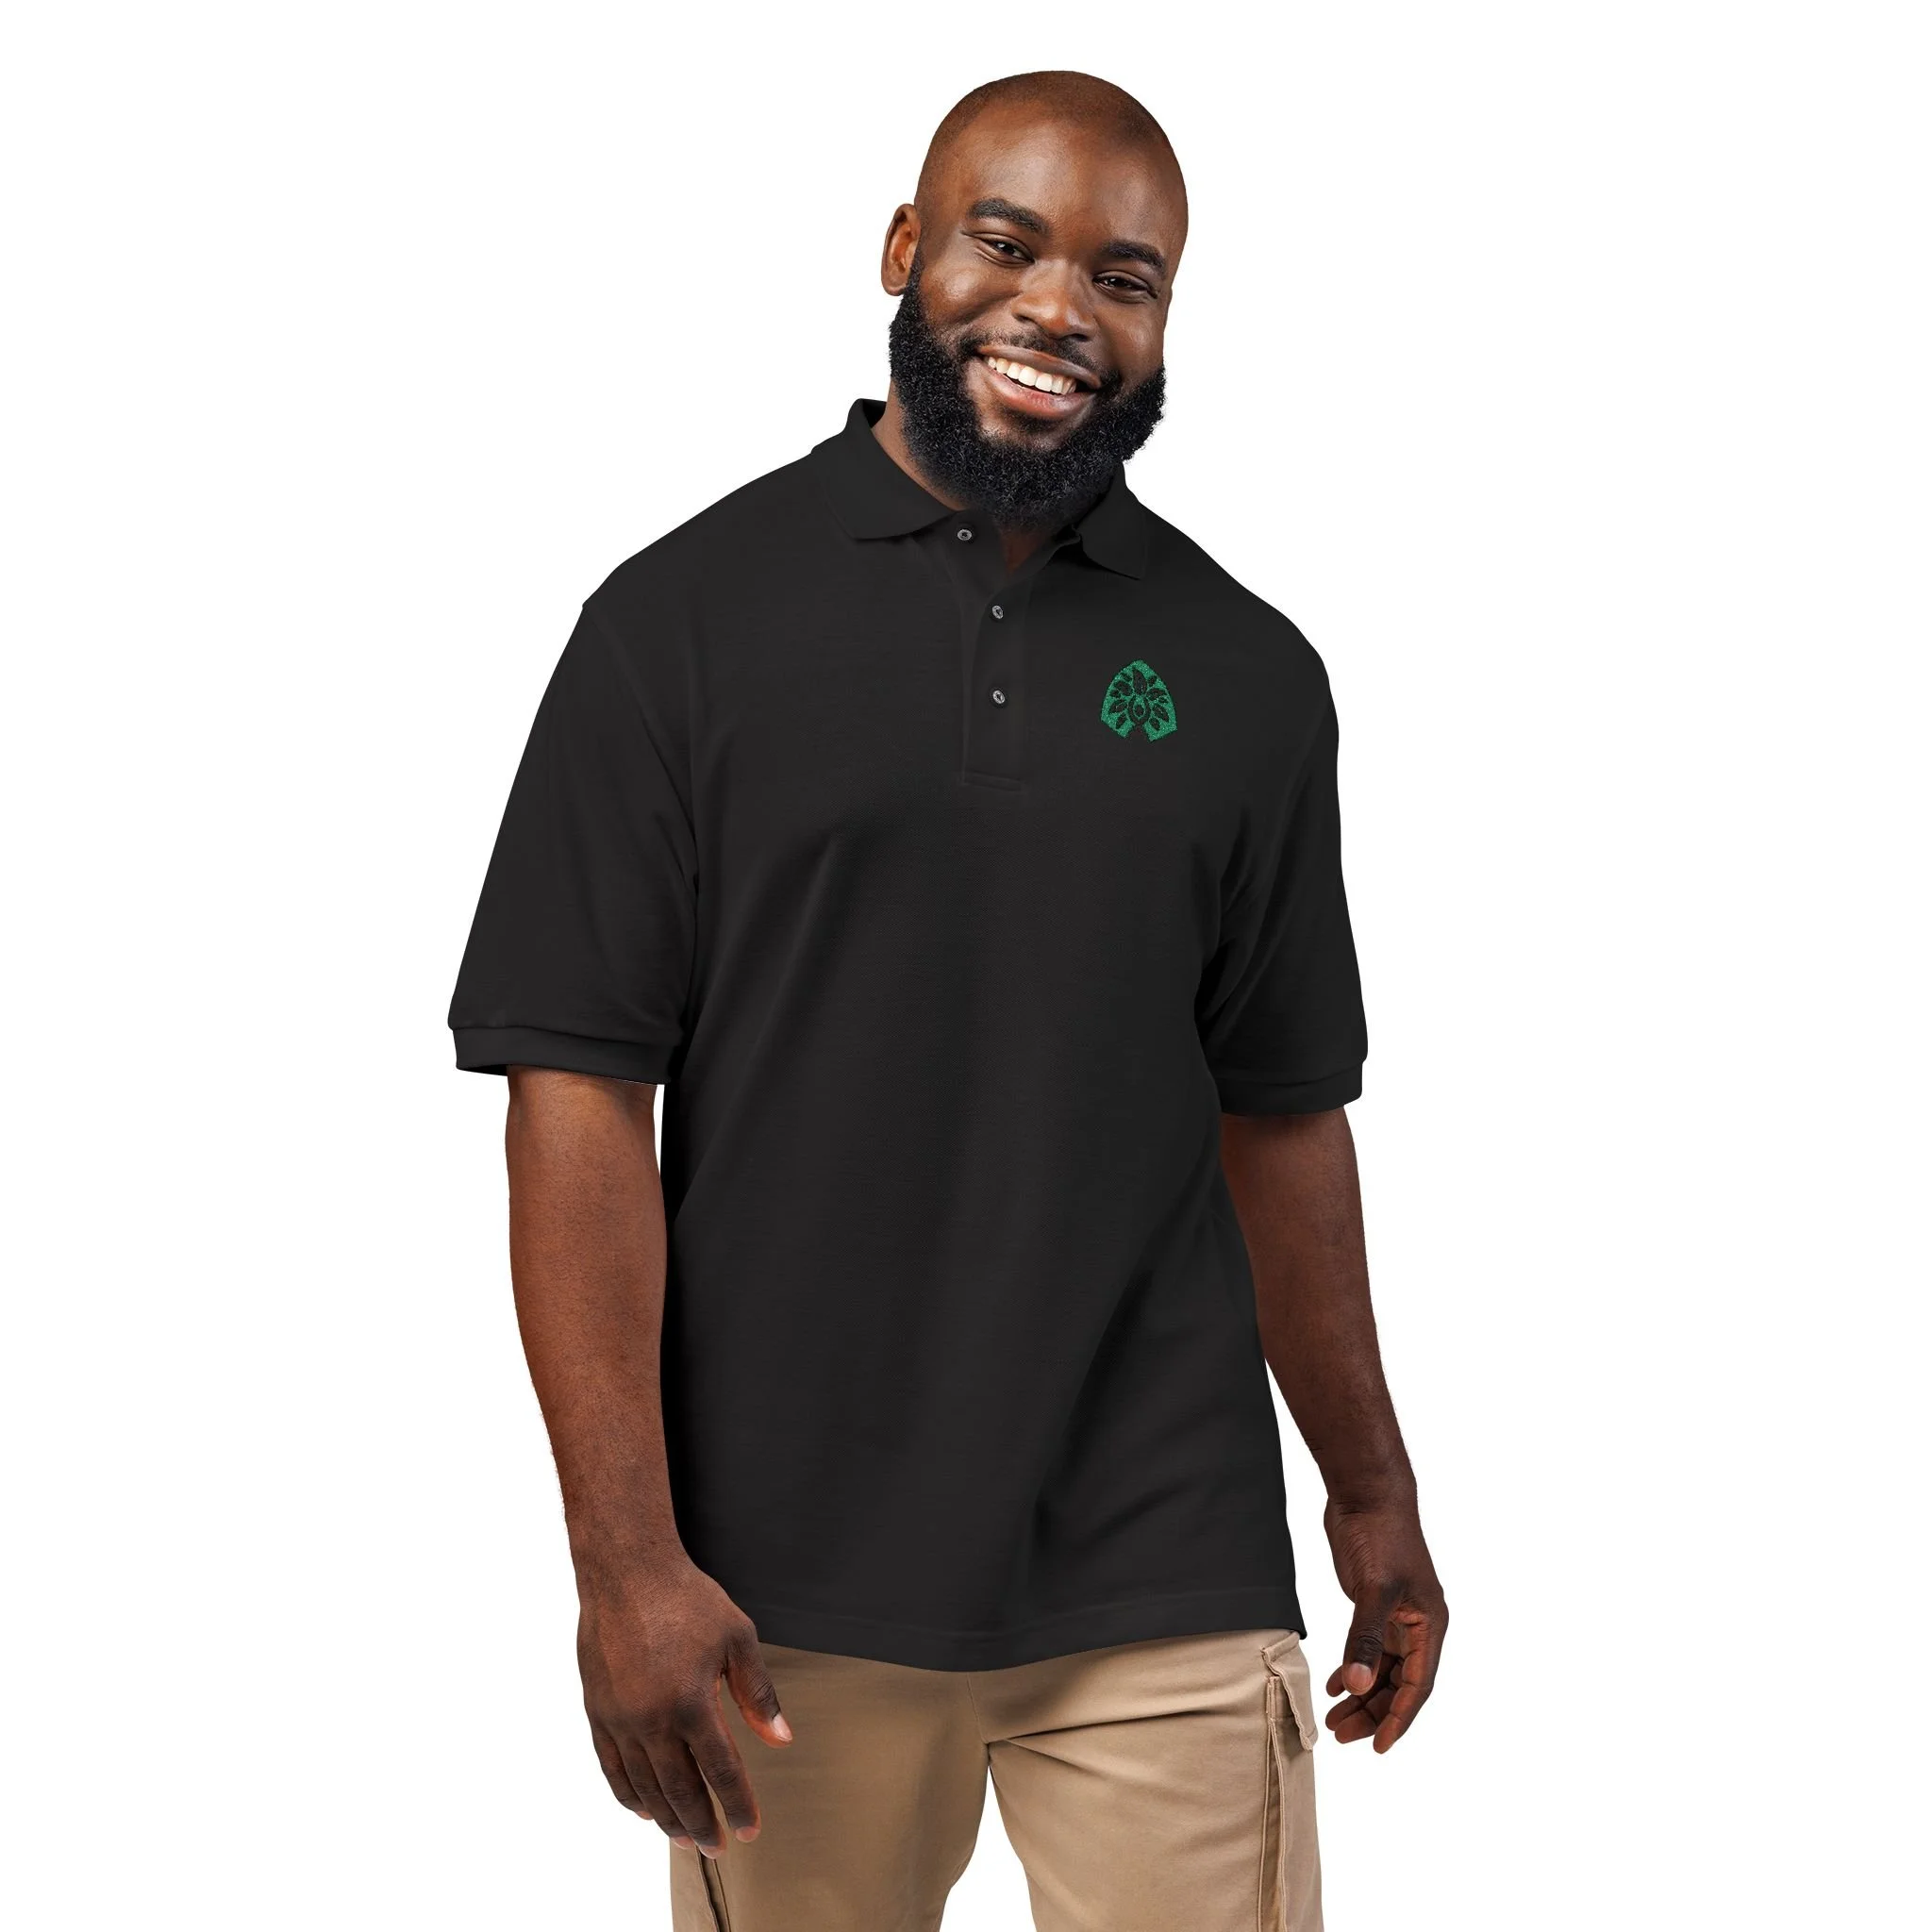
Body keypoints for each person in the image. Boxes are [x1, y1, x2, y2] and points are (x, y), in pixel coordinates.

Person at [449, 69, 1445, 1932]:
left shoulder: (1247, 673)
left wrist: (1371, 1491)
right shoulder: (677, 625)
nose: (1061, 307)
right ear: (907, 249)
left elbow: (1283, 1108)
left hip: (1164, 1555)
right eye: (1008, 242)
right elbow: (576, 1096)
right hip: (778, 1589)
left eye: (1125, 277)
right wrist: (625, 1562)